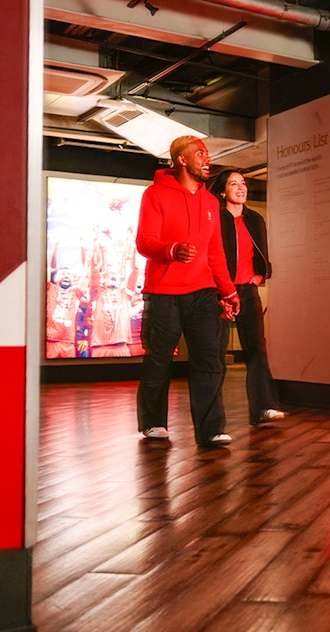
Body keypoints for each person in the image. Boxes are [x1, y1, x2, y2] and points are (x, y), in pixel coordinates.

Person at [135, 135, 241, 446]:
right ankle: (153, 423)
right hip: (163, 293)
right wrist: (171, 250)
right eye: (200, 153)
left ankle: (211, 429)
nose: (207, 158)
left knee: (210, 360)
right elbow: (144, 241)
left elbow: (215, 253)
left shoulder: (210, 202)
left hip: (203, 293)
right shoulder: (154, 194)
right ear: (181, 160)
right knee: (159, 360)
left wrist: (229, 293)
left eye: (207, 153)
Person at [209, 170, 286, 426]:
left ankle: (264, 407)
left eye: (243, 183)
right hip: (219, 292)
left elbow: (262, 257)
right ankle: (212, 418)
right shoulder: (215, 219)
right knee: (216, 353)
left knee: (257, 349)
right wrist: (221, 291)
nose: (241, 188)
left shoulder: (255, 219)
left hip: (247, 290)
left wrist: (257, 278)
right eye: (234, 184)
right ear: (223, 191)